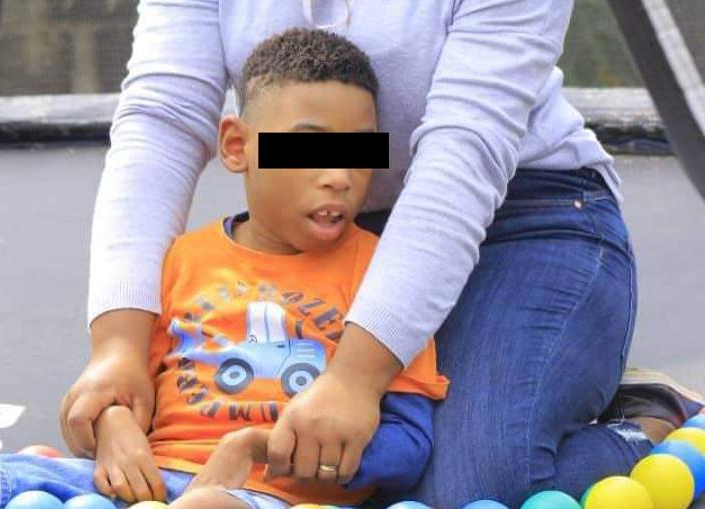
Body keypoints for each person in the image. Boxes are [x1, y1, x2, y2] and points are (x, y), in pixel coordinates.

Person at [60, 1, 705, 507]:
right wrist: (118, 346)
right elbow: (164, 117)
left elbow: (465, 149)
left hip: (527, 214)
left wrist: (355, 378)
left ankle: (645, 420)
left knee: (469, 491)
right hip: (334, 229)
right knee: (325, 470)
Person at [0, 29, 447, 509]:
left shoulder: (388, 278)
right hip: (153, 481)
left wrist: (260, 447)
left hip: (269, 497)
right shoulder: (180, 261)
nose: (339, 177)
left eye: (360, 153)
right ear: (236, 145)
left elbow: (408, 446)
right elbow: (128, 390)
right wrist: (112, 422)